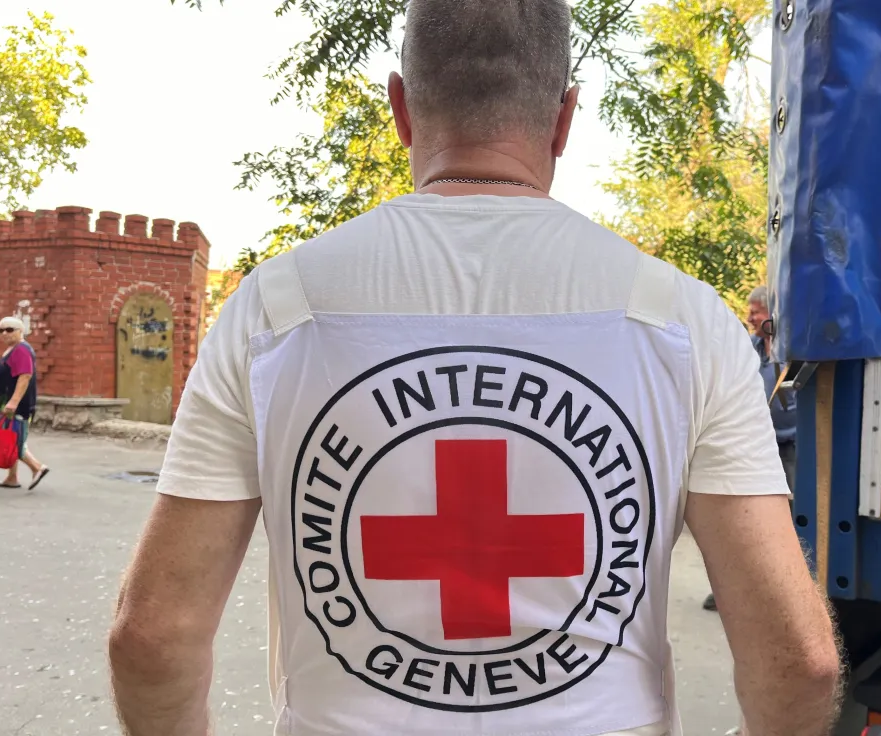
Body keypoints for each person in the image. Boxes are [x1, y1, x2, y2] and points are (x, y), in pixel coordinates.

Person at [108, 1, 841, 734]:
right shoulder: (686, 322)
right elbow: (797, 660)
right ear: (565, 119)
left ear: (400, 107)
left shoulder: (272, 309)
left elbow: (153, 637)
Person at [703, 286, 797, 612]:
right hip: (755, 447)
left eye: (755, 311)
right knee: (740, 522)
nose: (749, 317)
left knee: (788, 525)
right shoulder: (750, 349)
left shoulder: (794, 349)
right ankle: (732, 593)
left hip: (793, 446)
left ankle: (785, 598)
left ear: (773, 314)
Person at [0, 316, 49, 490]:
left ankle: (37, 468)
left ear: (21, 331)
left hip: (18, 405)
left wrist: (13, 402)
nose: (5, 333)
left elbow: (25, 376)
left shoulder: (21, 349)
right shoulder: (12, 349)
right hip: (8, 402)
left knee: (12, 439)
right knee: (9, 436)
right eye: (1, 330)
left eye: (10, 329)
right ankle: (12, 477)